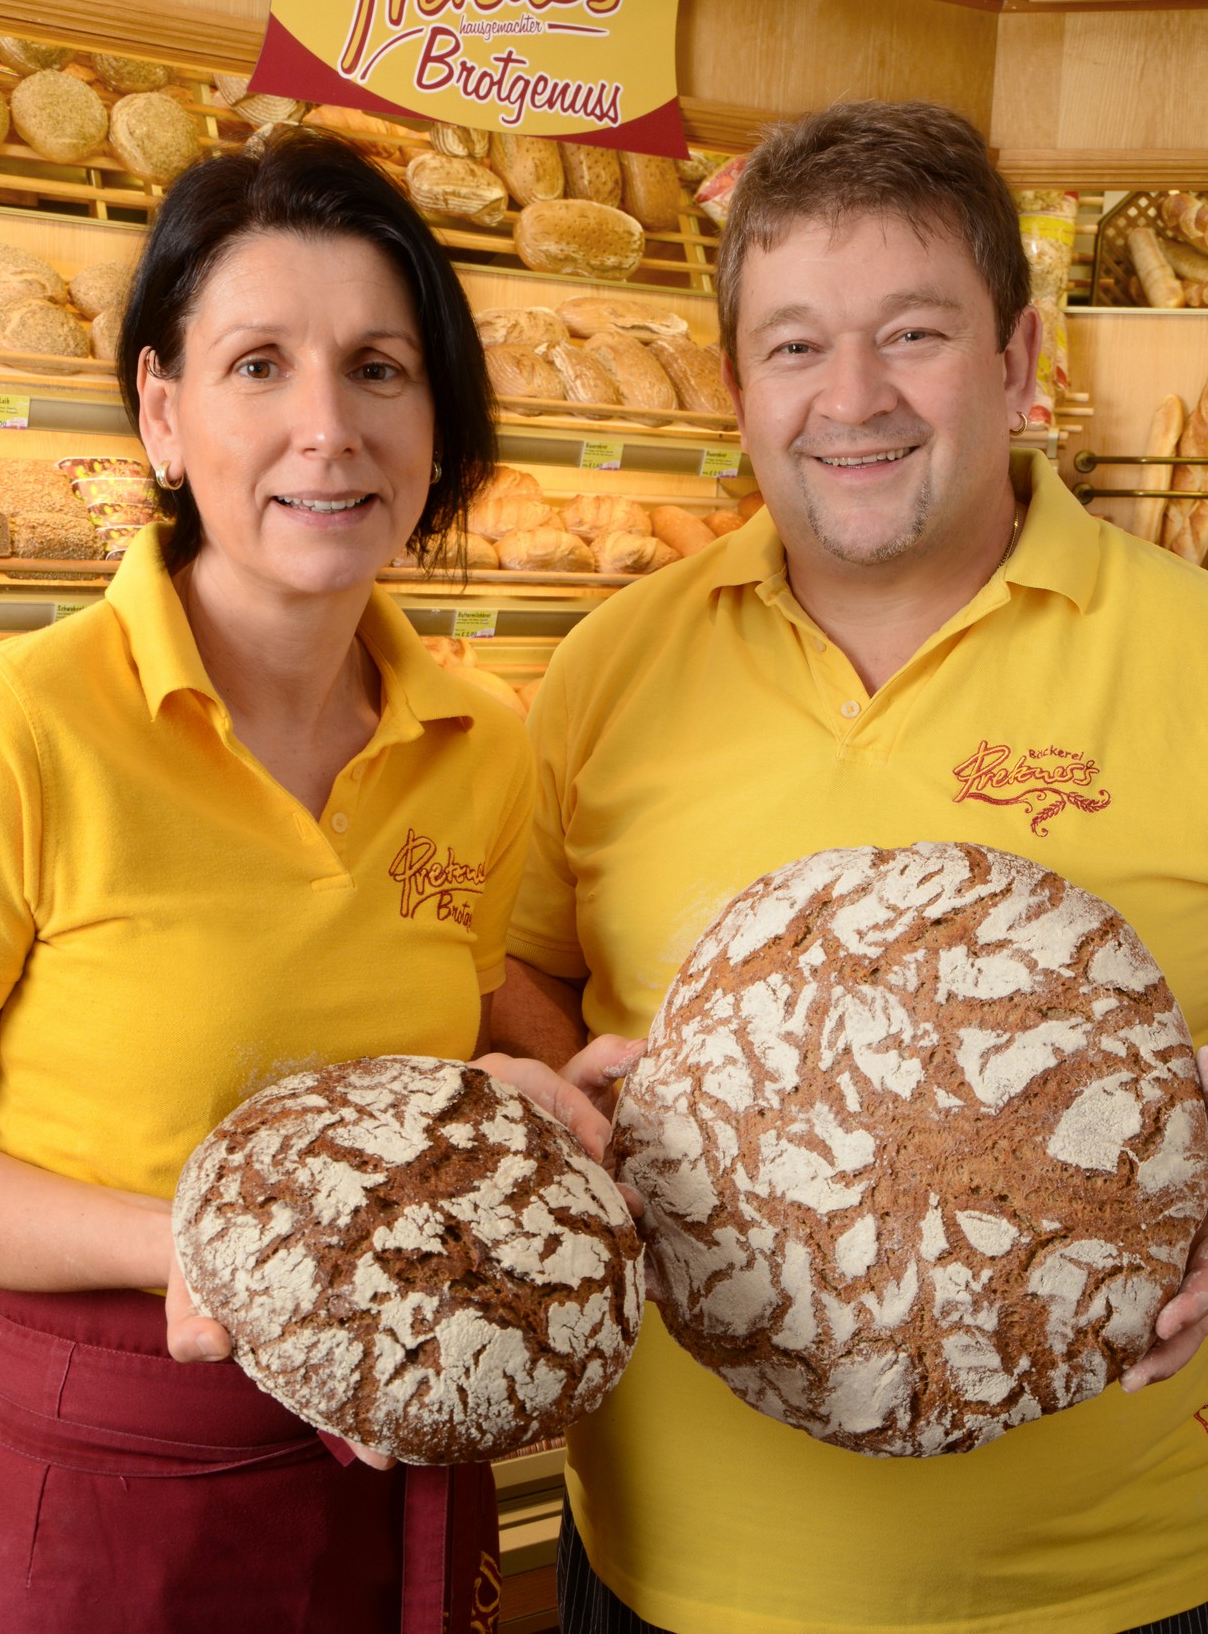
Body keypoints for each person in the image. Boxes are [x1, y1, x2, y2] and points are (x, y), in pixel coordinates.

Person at [497, 100, 1208, 1634]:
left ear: (1016, 364)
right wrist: (593, 1107)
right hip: (671, 1572)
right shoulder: (613, 661)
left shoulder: (1193, 653)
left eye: (912, 332)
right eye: (795, 345)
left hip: (1114, 1586)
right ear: (738, 381)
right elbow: (518, 966)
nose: (854, 399)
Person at [0, 129, 627, 1634]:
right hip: (118, 1458)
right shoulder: (17, 726)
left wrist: (544, 1093)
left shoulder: (480, 744)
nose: (326, 428)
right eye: (258, 363)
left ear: (438, 420)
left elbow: (431, 998)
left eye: (378, 368)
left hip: (403, 1434)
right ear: (161, 410)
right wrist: (201, 1248)